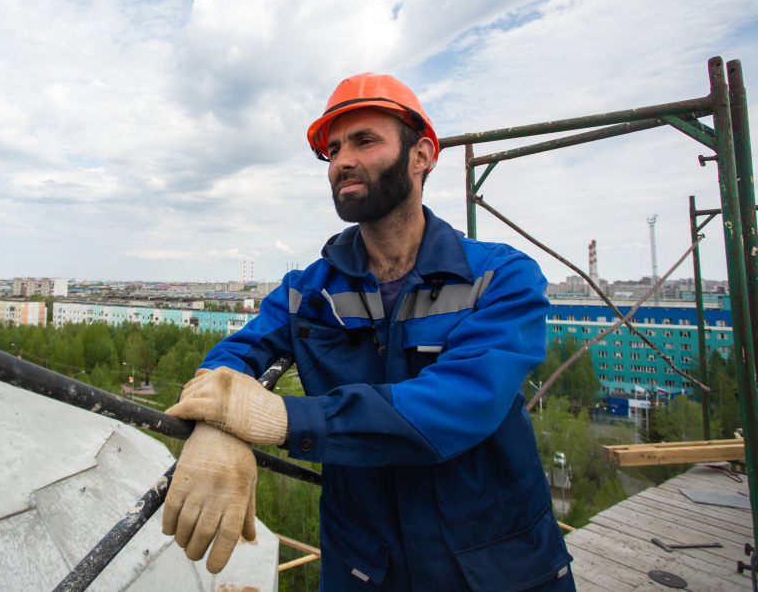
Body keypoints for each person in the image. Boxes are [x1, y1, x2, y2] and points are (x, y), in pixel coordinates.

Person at [163, 73, 575, 590]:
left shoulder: (499, 278)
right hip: (364, 571)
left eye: (365, 140)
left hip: (497, 569)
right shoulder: (306, 292)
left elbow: (462, 401)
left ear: (421, 155)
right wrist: (217, 431)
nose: (342, 161)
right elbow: (234, 354)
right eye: (333, 150)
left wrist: (281, 419)